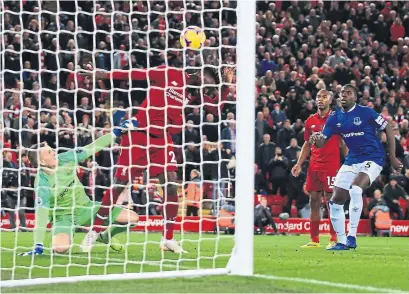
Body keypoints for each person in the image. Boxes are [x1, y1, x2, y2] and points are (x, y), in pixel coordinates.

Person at [81, 65, 235, 253]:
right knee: (119, 184)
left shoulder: (192, 94)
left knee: (170, 185)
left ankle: (168, 238)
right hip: (138, 135)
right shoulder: (169, 72)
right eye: (210, 82)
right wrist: (104, 73)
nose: (208, 87)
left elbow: (215, 109)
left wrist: (225, 86)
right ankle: (94, 232)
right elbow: (135, 73)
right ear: (202, 73)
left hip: (162, 139)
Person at [18, 118, 139, 256]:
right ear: (41, 161)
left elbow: (92, 147)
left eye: (52, 149)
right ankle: (65, 234)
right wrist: (38, 244)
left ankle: (105, 236)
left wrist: (116, 132)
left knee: (133, 219)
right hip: (63, 217)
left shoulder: (65, 158)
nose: (54, 152)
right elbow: (41, 213)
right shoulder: (42, 183)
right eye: (49, 152)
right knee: (60, 249)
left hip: (86, 207)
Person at [311, 84, 402, 250]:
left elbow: (387, 128)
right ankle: (341, 241)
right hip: (352, 159)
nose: (344, 95)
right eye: (342, 93)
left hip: (374, 157)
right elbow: (322, 141)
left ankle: (352, 236)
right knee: (335, 201)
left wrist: (393, 156)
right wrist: (316, 138)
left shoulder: (366, 112)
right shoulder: (335, 118)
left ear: (355, 97)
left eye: (348, 93)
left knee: (355, 189)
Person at [292, 89, 347, 249]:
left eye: (324, 97)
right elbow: (307, 144)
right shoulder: (310, 121)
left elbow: (343, 143)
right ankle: (314, 240)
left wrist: (350, 163)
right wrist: (299, 163)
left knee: (332, 203)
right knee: (314, 201)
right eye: (318, 97)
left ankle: (334, 237)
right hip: (314, 166)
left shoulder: (337, 119)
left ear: (330, 100)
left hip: (331, 167)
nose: (320, 99)